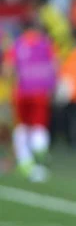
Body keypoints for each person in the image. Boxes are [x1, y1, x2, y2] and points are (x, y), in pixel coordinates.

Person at [3, 19, 57, 182]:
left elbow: (8, 69)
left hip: (21, 92)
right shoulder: (45, 44)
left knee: (22, 127)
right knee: (39, 127)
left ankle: (25, 163)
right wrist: (52, 86)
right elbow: (54, 67)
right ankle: (40, 163)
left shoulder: (17, 44)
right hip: (40, 92)